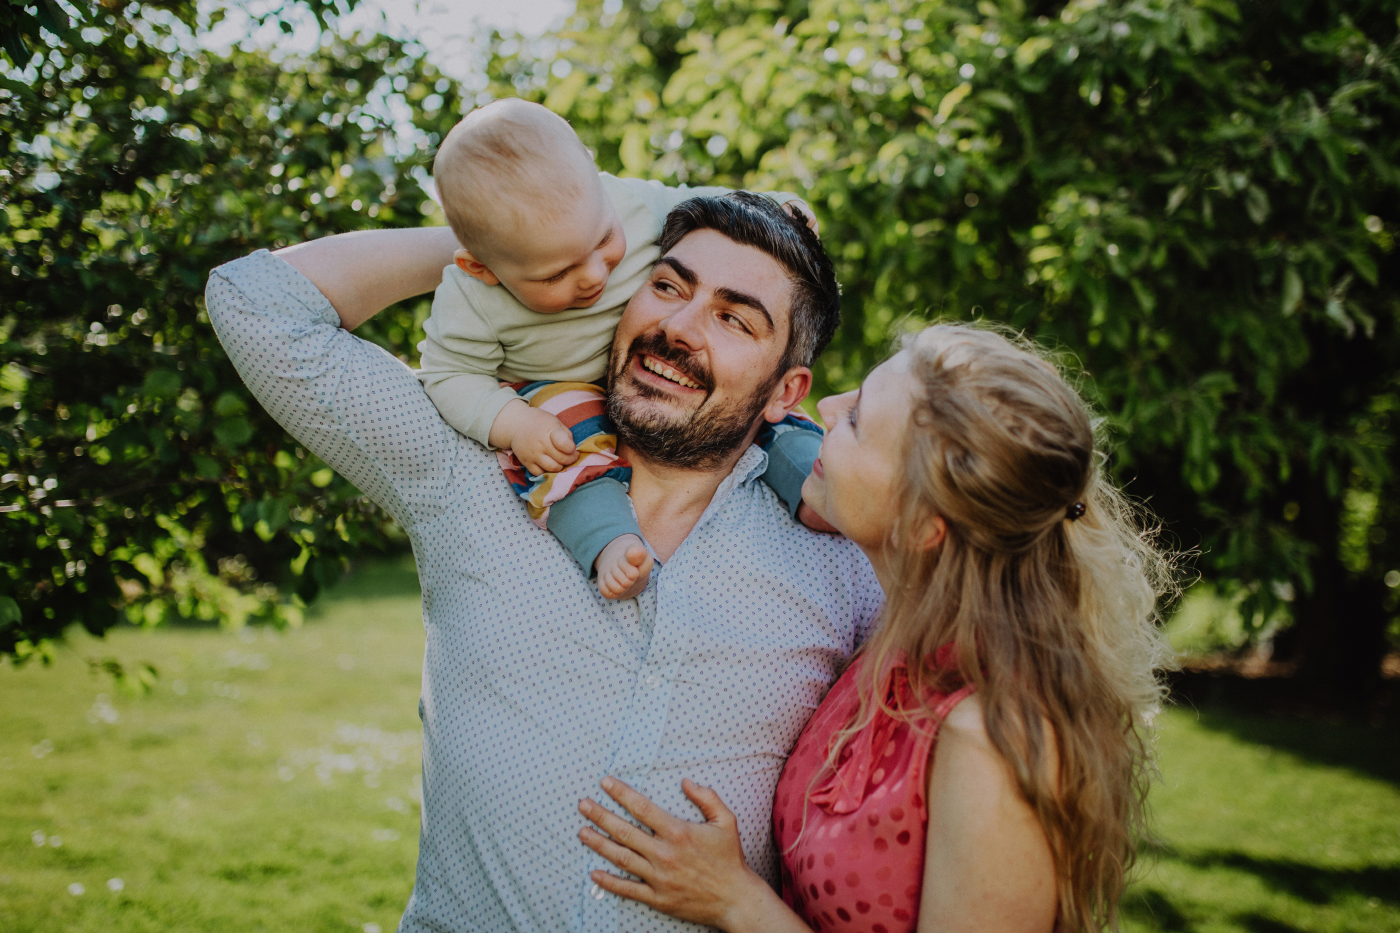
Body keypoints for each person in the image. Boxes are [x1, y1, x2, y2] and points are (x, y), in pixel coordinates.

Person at [205, 191, 883, 933]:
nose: (677, 327)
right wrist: (522, 243)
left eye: (733, 317)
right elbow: (254, 302)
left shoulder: (847, 557)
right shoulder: (476, 467)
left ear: (788, 391)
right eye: (667, 285)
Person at [576, 325, 1175, 933]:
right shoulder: (895, 645)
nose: (828, 408)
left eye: (858, 420)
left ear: (922, 525)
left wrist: (738, 903)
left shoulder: (993, 737)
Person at [420, 99, 827, 598]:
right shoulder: (470, 298)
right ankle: (607, 541)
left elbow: (713, 210)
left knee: (776, 423)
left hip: (677, 387)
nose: (594, 275)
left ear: (598, 177)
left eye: (604, 240)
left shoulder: (627, 203)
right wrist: (513, 422)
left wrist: (779, 204)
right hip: (560, 393)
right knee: (560, 452)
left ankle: (822, 488)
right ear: (479, 267)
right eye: (555, 272)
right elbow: (447, 375)